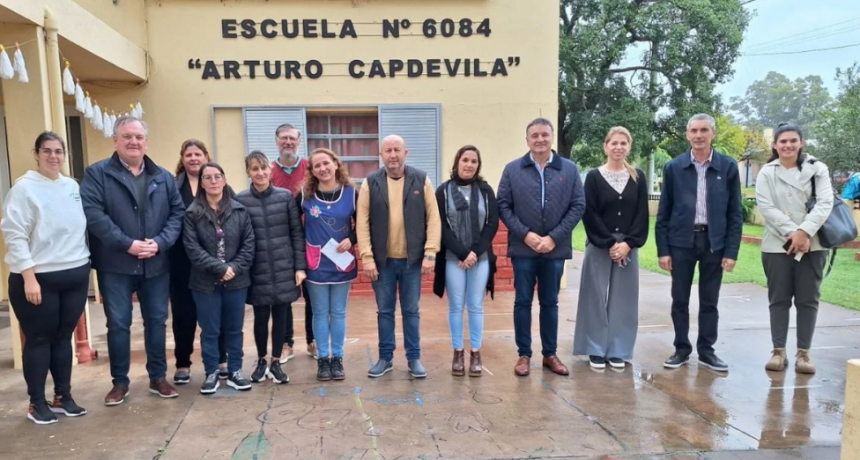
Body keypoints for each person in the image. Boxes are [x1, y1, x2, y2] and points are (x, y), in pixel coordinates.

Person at [80, 116, 185, 406]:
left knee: (157, 322)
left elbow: (177, 215)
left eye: (138, 136)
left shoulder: (163, 177)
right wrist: (127, 244)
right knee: (118, 324)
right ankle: (120, 383)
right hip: (116, 265)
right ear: (115, 140)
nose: (133, 141)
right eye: (126, 136)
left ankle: (158, 378)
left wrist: (160, 243)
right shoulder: (97, 174)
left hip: (156, 264)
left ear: (146, 142)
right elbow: (94, 215)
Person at [1, 132, 91, 424]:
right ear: (36, 154)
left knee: (63, 338)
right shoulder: (24, 189)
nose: (54, 156)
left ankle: (63, 396)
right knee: (39, 339)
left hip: (74, 274)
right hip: (38, 278)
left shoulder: (71, 186)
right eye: (47, 151)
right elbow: (14, 235)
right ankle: (36, 402)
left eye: (59, 151)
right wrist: (28, 277)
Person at [497, 118, 585, 377]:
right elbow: (503, 205)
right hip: (524, 249)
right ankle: (524, 355)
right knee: (522, 302)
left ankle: (550, 354)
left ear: (552, 137)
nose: (540, 139)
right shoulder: (513, 169)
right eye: (534, 135)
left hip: (554, 250)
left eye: (544, 134)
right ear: (527, 140)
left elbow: (578, 205)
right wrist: (526, 235)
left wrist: (554, 237)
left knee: (550, 302)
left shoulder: (569, 169)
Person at [655, 113, 742, 372]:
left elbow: (735, 213)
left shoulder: (727, 167)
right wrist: (663, 250)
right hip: (681, 241)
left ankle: (707, 351)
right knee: (679, 299)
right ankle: (681, 348)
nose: (699, 135)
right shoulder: (674, 167)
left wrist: (732, 251)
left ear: (713, 133)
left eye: (704, 130)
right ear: (687, 134)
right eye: (694, 130)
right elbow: (664, 212)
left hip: (714, 242)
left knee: (709, 300)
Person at [357, 135, 441, 378]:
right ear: (381, 155)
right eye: (387, 150)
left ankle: (414, 359)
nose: (392, 154)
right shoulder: (370, 182)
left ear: (406, 152)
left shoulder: (421, 179)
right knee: (384, 311)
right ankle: (386, 358)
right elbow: (361, 223)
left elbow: (433, 218)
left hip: (412, 261)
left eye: (397, 150)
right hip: (381, 263)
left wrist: (430, 252)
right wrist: (367, 257)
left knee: (411, 311)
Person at [755, 123, 833, 375]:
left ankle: (804, 353)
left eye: (792, 141)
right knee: (778, 299)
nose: (787, 145)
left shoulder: (817, 169)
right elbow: (766, 207)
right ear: (775, 145)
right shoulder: (767, 172)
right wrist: (792, 233)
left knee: (808, 299)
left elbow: (825, 203)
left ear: (801, 143)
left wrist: (805, 232)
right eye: (783, 141)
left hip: (813, 243)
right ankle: (778, 351)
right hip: (778, 244)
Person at [573, 127, 649, 370]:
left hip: (628, 245)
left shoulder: (638, 177)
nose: (618, 147)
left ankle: (617, 349)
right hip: (599, 243)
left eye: (623, 143)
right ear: (605, 146)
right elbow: (590, 213)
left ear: (629, 146)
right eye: (614, 143)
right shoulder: (594, 177)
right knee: (593, 296)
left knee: (624, 298)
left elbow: (641, 215)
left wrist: (628, 243)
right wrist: (608, 243)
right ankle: (595, 348)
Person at [183, 163, 255, 394]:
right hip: (205, 284)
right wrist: (219, 268)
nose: (213, 181)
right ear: (201, 183)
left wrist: (232, 267)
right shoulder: (191, 214)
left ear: (224, 180)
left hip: (236, 281)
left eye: (217, 176)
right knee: (210, 330)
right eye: (207, 177)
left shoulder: (240, 211)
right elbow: (192, 249)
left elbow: (249, 245)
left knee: (234, 329)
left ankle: (235, 372)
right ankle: (211, 373)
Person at [235, 151, 306, 385]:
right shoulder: (241, 199)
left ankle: (276, 362)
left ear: (270, 170)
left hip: (284, 267)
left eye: (264, 168)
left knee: (281, 316)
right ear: (248, 172)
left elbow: (297, 233)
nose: (260, 172)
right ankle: (262, 360)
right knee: (260, 316)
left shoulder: (286, 197)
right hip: (257, 270)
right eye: (255, 169)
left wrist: (299, 266)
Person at [433, 145, 499, 377]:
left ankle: (476, 352)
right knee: (456, 306)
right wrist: (462, 253)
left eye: (474, 161)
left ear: (478, 165)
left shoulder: (486, 190)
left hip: (480, 259)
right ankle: (458, 352)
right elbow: (439, 225)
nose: (469, 164)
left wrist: (474, 252)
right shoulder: (443, 191)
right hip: (453, 258)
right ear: (457, 162)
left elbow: (492, 224)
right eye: (465, 160)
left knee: (476, 306)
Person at [169, 140, 228, 384]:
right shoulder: (171, 187)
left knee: (216, 312)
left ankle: (220, 359)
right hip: (181, 261)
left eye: (198, 154)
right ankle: (183, 362)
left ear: (206, 157)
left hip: (214, 261)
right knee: (183, 313)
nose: (193, 158)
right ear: (182, 159)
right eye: (188, 154)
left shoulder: (217, 183)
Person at [299, 148, 359, 381]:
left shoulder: (352, 193)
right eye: (317, 166)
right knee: (320, 312)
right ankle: (323, 359)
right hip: (316, 264)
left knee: (339, 312)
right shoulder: (305, 195)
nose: (323, 168)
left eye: (326, 163)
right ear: (312, 171)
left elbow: (365, 225)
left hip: (341, 263)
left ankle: (338, 358)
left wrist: (351, 239)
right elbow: (295, 229)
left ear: (336, 164)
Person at [270, 123, 316, 361]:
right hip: (280, 241)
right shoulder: (268, 171)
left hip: (310, 239)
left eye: (292, 138)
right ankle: (286, 342)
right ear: (276, 140)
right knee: (285, 294)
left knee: (312, 293)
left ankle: (313, 340)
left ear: (299, 141)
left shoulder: (311, 168)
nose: (288, 142)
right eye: (283, 138)